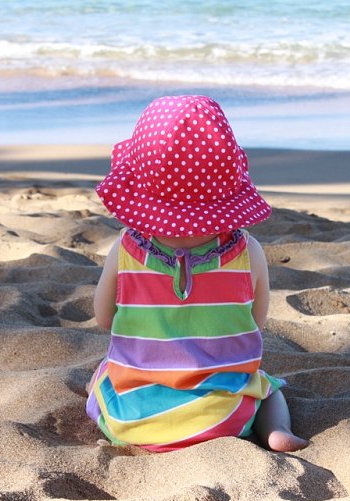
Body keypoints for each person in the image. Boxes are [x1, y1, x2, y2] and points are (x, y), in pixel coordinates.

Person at [85, 95, 308, 453]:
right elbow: (256, 321)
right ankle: (276, 431)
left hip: (135, 418)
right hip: (223, 415)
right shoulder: (247, 253)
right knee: (267, 389)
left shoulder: (125, 250)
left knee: (102, 378)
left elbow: (103, 318)